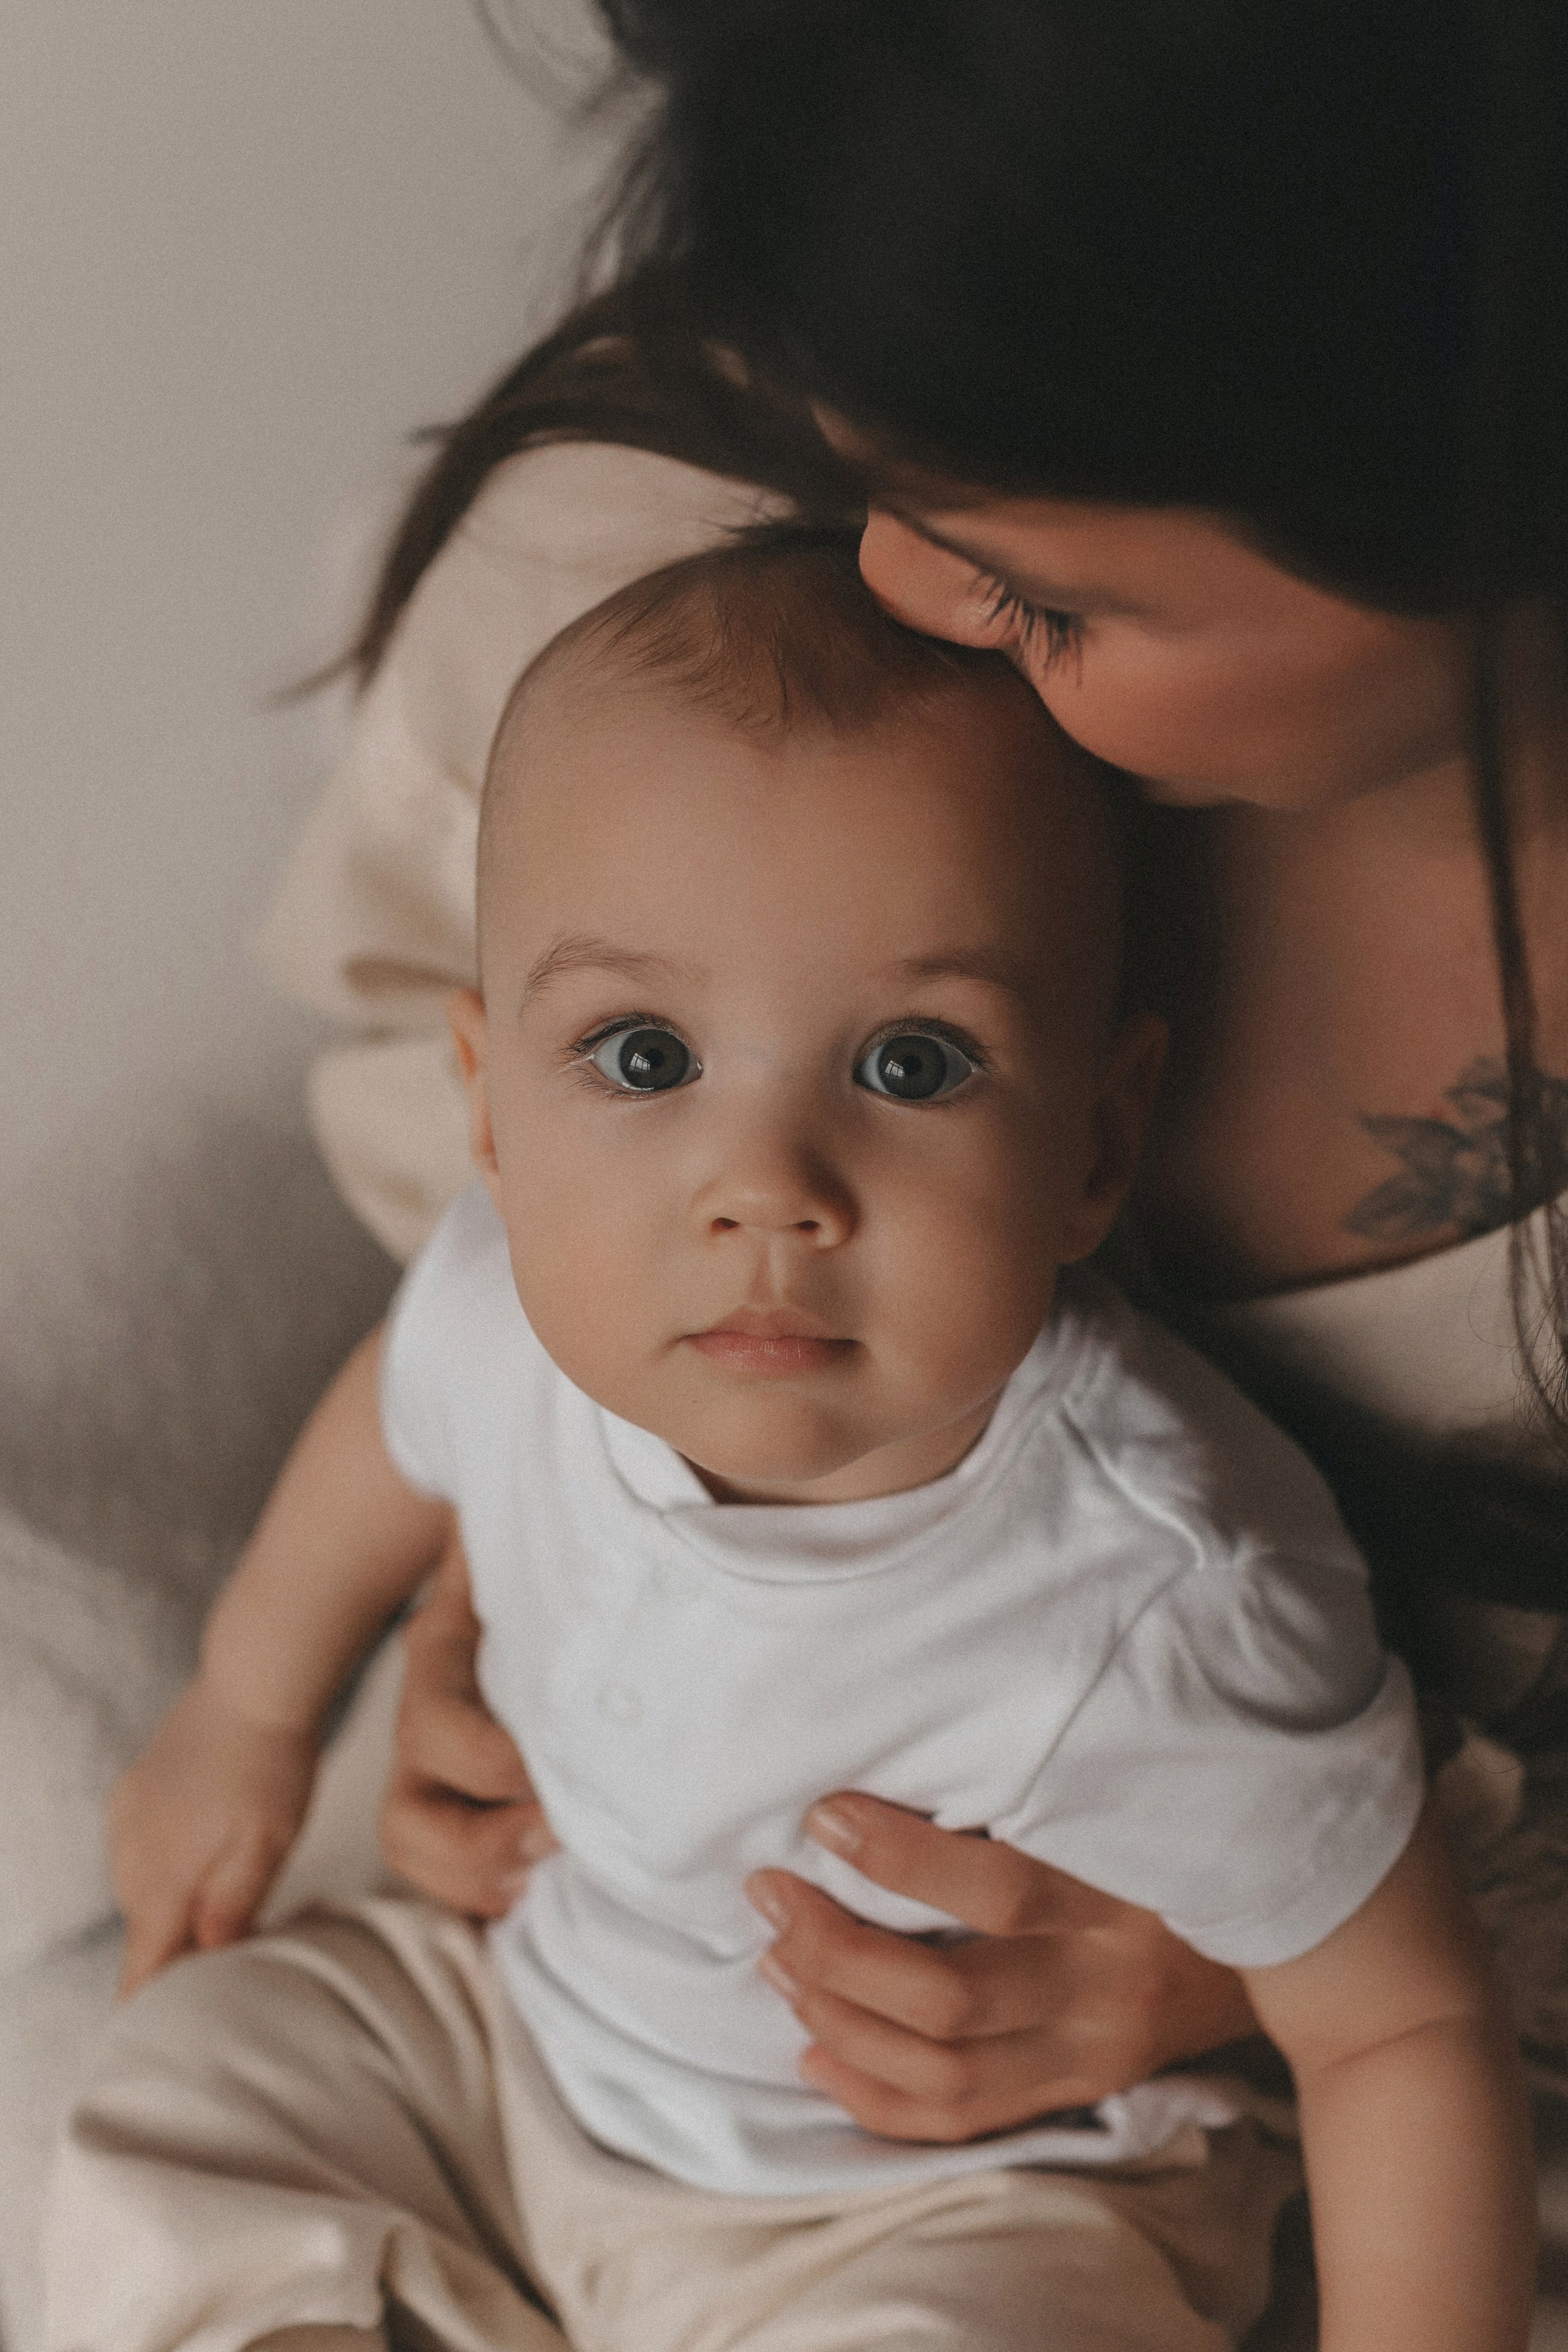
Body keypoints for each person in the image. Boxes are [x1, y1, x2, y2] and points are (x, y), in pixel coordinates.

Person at [276, 0, 1566, 2146]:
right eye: (868, 469)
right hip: (570, 1956)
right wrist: (510, 1567)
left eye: (1053, 595)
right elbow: (455, 1173)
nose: (885, 582)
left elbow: (1398, 2017)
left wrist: (1295, 1959)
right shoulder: (637, 547)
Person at [65, 534, 1531, 2352]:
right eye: (643, 1058)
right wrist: (247, 1709)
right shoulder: (504, 1304)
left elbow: (1404, 2028)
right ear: (491, 1112)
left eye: (913, 1064)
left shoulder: (1165, 1581)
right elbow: (390, 1429)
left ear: (1095, 1141)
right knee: (186, 2087)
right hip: (529, 2039)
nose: (765, 1188)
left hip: (942, 2200)